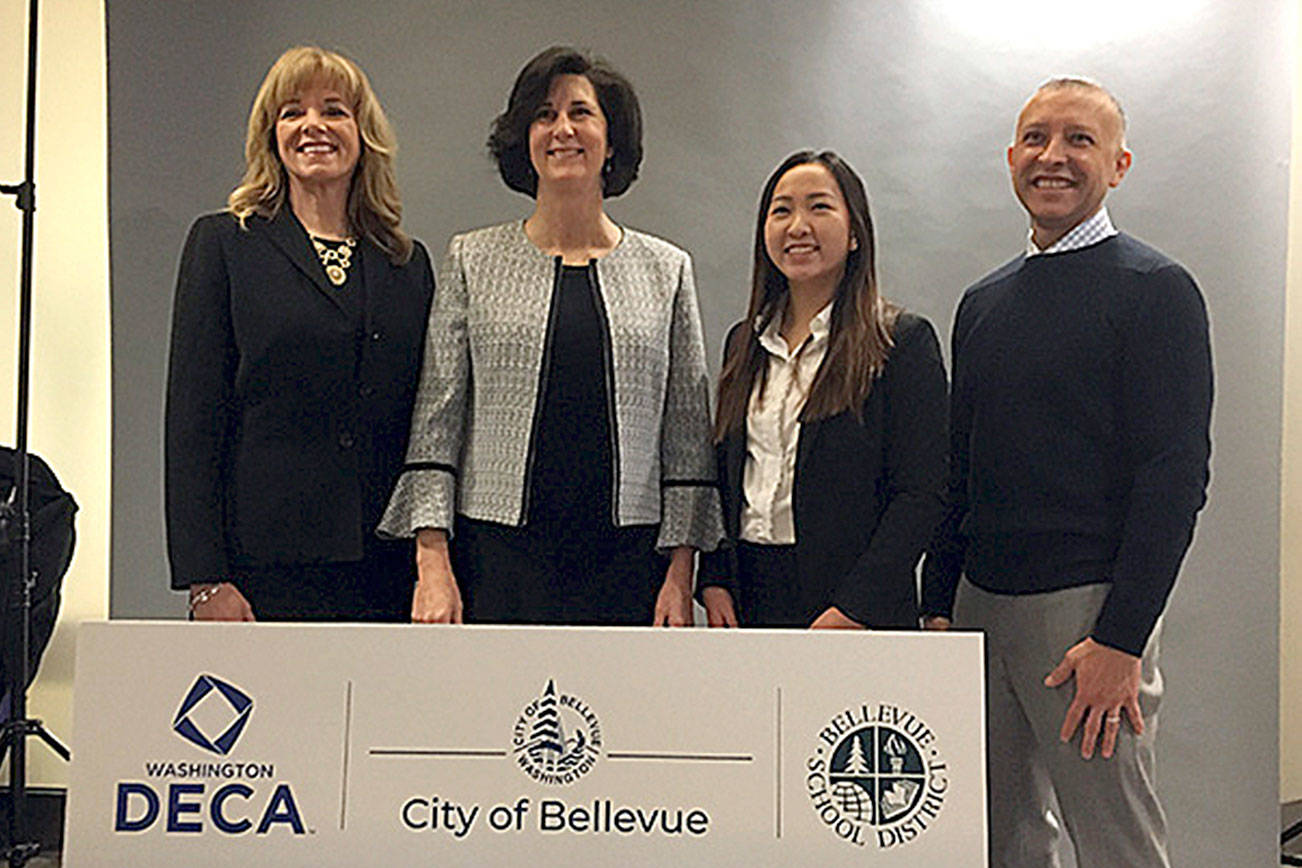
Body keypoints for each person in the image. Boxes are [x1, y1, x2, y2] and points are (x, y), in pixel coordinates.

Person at [922, 78, 1212, 866]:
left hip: (1085, 623)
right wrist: (939, 607)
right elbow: (962, 468)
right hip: (980, 608)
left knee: (1116, 846)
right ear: (1012, 157)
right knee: (997, 841)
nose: (1054, 156)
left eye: (1079, 140)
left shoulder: (1156, 291)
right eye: (1037, 138)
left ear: (1118, 164)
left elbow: (1175, 477)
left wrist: (1120, 639)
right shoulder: (983, 305)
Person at [377, 46, 721, 625]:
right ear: (524, 140)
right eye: (543, 115)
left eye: (580, 113)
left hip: (629, 563)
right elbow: (437, 424)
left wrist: (680, 573)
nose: (562, 129)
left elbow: (686, 437)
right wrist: (432, 564)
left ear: (612, 141)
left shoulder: (667, 270)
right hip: (497, 556)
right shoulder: (472, 259)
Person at [166, 46, 434, 622]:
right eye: (292, 113)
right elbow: (193, 420)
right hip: (260, 571)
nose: (313, 125)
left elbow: (426, 423)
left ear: (363, 134)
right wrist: (205, 579)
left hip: (386, 570)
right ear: (271, 136)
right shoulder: (224, 245)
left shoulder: (407, 265)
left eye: (334, 110)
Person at [698, 150, 947, 629]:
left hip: (854, 606)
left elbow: (922, 493)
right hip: (750, 597)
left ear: (855, 233)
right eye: (782, 210)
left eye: (819, 207)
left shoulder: (901, 342)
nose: (797, 226)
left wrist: (856, 608)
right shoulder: (743, 342)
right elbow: (724, 475)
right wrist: (715, 578)